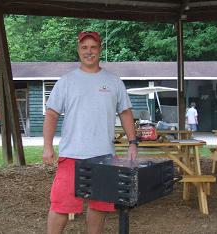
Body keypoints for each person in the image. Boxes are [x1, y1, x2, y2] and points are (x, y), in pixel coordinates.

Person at [42, 31, 138, 234]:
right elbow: (51, 114)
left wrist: (133, 142)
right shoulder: (67, 81)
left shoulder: (113, 81)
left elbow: (126, 112)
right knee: (60, 206)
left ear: (99, 50)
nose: (89, 51)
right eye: (84, 47)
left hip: (104, 157)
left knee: (99, 206)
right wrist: (47, 146)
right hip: (71, 155)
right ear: (78, 50)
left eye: (93, 47)